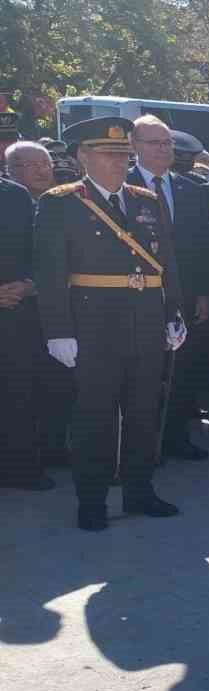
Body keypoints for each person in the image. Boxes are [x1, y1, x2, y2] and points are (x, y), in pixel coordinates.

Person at [34, 117, 186, 530]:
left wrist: (173, 311)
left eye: (124, 154)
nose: (120, 162)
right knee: (94, 416)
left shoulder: (145, 200)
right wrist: (58, 331)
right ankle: (92, 499)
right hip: (93, 325)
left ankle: (140, 491)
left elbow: (165, 263)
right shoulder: (61, 202)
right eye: (109, 154)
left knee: (143, 413)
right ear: (83, 156)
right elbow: (50, 273)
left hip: (145, 321)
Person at [127, 115, 209, 462]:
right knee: (143, 373)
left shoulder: (190, 188)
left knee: (182, 369)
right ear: (134, 147)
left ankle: (175, 437)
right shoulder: (122, 183)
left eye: (166, 142)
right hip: (136, 294)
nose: (164, 148)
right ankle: (141, 446)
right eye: (154, 142)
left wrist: (204, 293)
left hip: (185, 293)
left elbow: (205, 247)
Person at [0, 168, 51, 491]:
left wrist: (29, 285)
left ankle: (19, 467)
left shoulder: (15, 195)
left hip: (15, 313)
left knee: (18, 394)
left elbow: (41, 252)